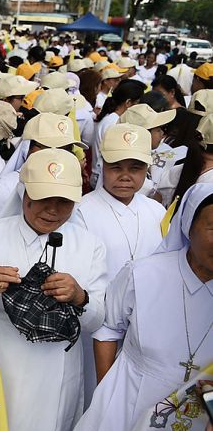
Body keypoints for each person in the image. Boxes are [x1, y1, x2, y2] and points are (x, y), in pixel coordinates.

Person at [0, 148, 108, 431]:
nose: (53, 210)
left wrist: (79, 296)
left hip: (54, 375)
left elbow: (96, 321)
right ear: (23, 193)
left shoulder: (90, 246)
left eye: (64, 202)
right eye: (43, 199)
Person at [67, 183, 213, 431]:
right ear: (189, 226)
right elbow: (108, 328)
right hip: (127, 402)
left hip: (197, 420)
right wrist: (108, 394)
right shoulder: (143, 273)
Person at [72, 123, 165, 404]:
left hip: (145, 324)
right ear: (102, 165)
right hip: (94, 325)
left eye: (134, 168)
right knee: (94, 397)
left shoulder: (155, 211)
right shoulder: (82, 210)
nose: (125, 176)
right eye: (116, 167)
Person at [92, 79, 146, 188]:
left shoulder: (111, 117)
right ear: (128, 103)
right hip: (103, 178)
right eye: (138, 104)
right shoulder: (115, 123)